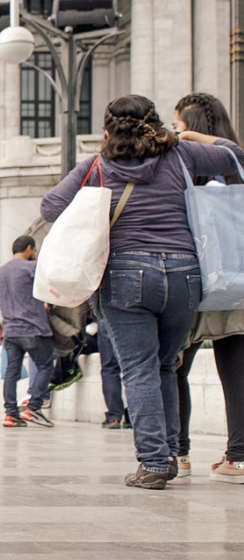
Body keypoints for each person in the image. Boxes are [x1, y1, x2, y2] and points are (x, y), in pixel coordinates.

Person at [41, 94, 244, 489]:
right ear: (153, 123)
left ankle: (153, 462)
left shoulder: (97, 165)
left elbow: (50, 207)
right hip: (186, 274)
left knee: (139, 368)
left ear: (107, 129)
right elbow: (235, 154)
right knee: (165, 365)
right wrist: (188, 136)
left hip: (126, 274)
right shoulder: (182, 154)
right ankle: (167, 453)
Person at [170, 92, 244, 483]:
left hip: (197, 279)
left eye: (178, 123)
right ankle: (239, 456)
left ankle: (179, 452)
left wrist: (187, 140)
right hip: (237, 280)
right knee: (235, 366)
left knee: (177, 364)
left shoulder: (185, 160)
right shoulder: (233, 163)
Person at [0, 236, 53, 429]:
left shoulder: (0, 272)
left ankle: (10, 414)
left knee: (11, 372)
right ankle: (33, 408)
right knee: (45, 365)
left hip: (10, 331)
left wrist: (0, 327)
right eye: (34, 251)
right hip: (34, 328)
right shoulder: (32, 268)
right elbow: (49, 294)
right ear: (29, 249)